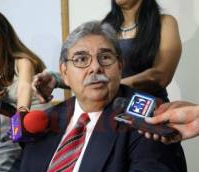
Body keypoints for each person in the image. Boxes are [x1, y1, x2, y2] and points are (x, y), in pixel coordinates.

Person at [0, 21, 187, 172]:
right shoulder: (50, 118)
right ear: (64, 73)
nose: (95, 67)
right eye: (81, 59)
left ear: (120, 66)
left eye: (105, 57)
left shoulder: (147, 113)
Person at [33, 0, 181, 102]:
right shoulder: (105, 27)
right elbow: (92, 72)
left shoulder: (164, 23)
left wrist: (107, 86)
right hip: (111, 112)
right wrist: (57, 79)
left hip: (149, 111)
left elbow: (160, 76)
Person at [0, 9, 50, 113]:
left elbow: (23, 89)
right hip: (12, 121)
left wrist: (19, 120)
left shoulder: (23, 62)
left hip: (38, 121)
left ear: (5, 34)